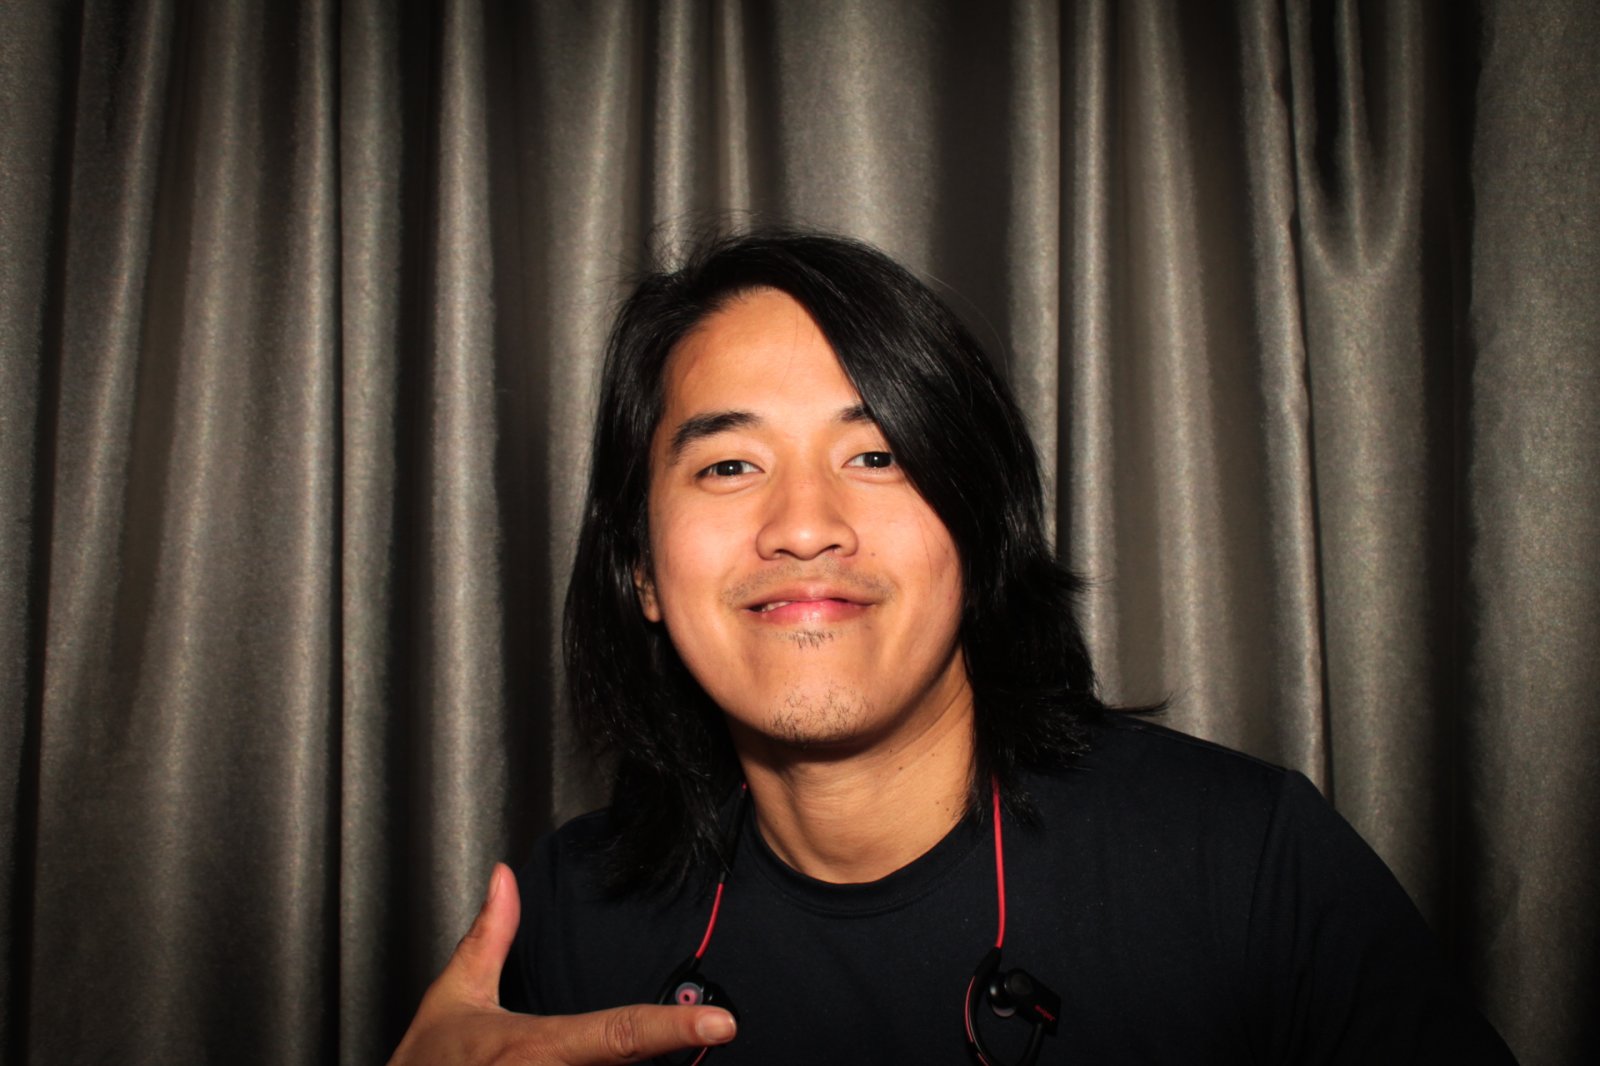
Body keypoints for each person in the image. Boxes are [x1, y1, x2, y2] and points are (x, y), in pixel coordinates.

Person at [389, 230, 1516, 1064]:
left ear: (979, 531)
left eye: (876, 456)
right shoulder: (568, 918)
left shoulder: (1243, 863)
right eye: (729, 465)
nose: (804, 525)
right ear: (640, 567)